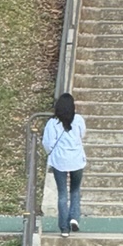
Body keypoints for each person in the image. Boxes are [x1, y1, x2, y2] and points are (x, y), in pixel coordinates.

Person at [42, 93, 87, 238]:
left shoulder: (52, 123)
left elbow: (47, 143)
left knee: (62, 194)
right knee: (75, 190)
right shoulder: (78, 120)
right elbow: (82, 135)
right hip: (77, 159)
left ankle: (64, 228)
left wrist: (51, 153)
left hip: (59, 160)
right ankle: (74, 217)